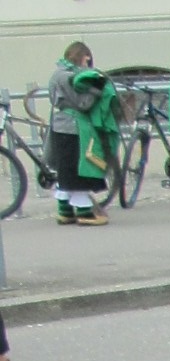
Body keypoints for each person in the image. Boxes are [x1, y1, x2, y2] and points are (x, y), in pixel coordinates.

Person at [47, 42, 116, 226]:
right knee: (79, 170)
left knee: (65, 170)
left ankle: (65, 211)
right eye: (87, 59)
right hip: (75, 127)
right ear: (84, 57)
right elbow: (83, 104)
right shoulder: (71, 76)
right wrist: (96, 90)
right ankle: (85, 211)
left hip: (60, 125)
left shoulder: (57, 74)